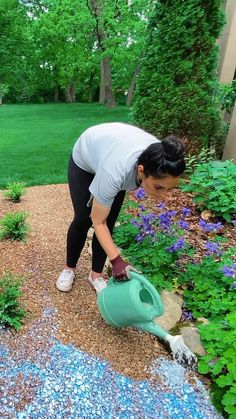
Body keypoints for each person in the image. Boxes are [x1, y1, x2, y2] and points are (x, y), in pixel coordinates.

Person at [56, 122, 186, 293]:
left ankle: (96, 275)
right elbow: (98, 221)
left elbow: (104, 224)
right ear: (141, 170)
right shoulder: (116, 172)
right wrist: (117, 261)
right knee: (83, 219)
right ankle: (69, 268)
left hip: (113, 153)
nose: (163, 196)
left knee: (109, 223)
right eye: (159, 187)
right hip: (86, 157)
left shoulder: (161, 158)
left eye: (169, 188)